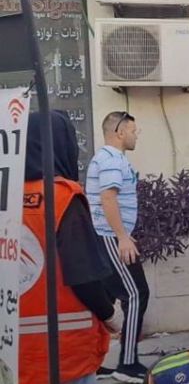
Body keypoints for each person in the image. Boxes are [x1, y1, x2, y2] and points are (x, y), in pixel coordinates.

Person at [20, 111, 121, 384]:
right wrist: (111, 315)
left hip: (15, 355)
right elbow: (83, 275)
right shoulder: (62, 198)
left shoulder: (7, 199)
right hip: (64, 353)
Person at [86, 111, 148, 383]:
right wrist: (122, 236)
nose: (137, 135)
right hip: (110, 237)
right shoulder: (110, 159)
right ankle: (127, 363)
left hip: (109, 235)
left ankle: (91, 363)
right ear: (120, 132)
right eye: (133, 130)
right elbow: (108, 199)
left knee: (104, 300)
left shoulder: (111, 158)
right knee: (135, 295)